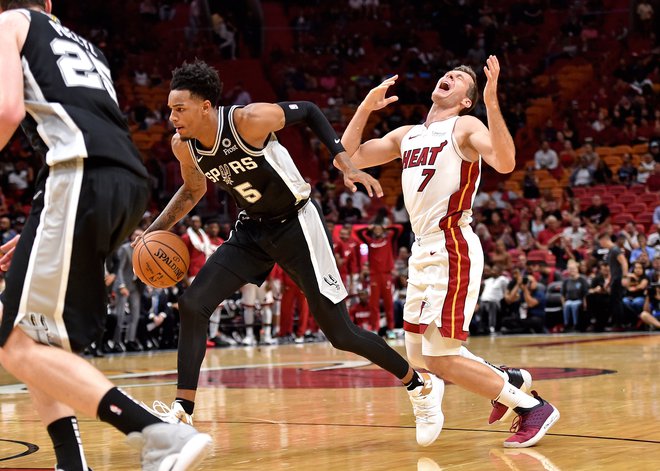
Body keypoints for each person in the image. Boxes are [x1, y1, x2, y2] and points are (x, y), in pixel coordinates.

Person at [140, 59, 446, 446]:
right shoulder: (184, 146)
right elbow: (192, 191)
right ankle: (183, 411)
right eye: (170, 109)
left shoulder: (249, 120)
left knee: (340, 333)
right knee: (193, 304)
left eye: (178, 108)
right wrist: (153, 232)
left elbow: (311, 111)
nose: (172, 117)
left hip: (297, 223)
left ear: (205, 107)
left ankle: (419, 385)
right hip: (252, 230)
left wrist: (345, 162)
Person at [0, 1, 211, 470]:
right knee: (36, 336)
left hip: (79, 177)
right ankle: (71, 463)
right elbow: (89, 127)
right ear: (50, 4)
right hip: (122, 182)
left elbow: (7, 110)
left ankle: (158, 435)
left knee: (15, 342)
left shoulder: (10, 23)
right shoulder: (84, 44)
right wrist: (42, 219)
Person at [341, 57, 559, 448]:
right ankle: (507, 380)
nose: (451, 77)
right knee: (420, 357)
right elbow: (347, 158)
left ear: (465, 101)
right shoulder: (407, 135)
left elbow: (505, 162)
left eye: (460, 79)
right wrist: (365, 107)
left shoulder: (466, 126)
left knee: (440, 358)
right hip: (422, 249)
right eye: (450, 73)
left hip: (451, 245)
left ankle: (530, 407)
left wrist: (491, 102)